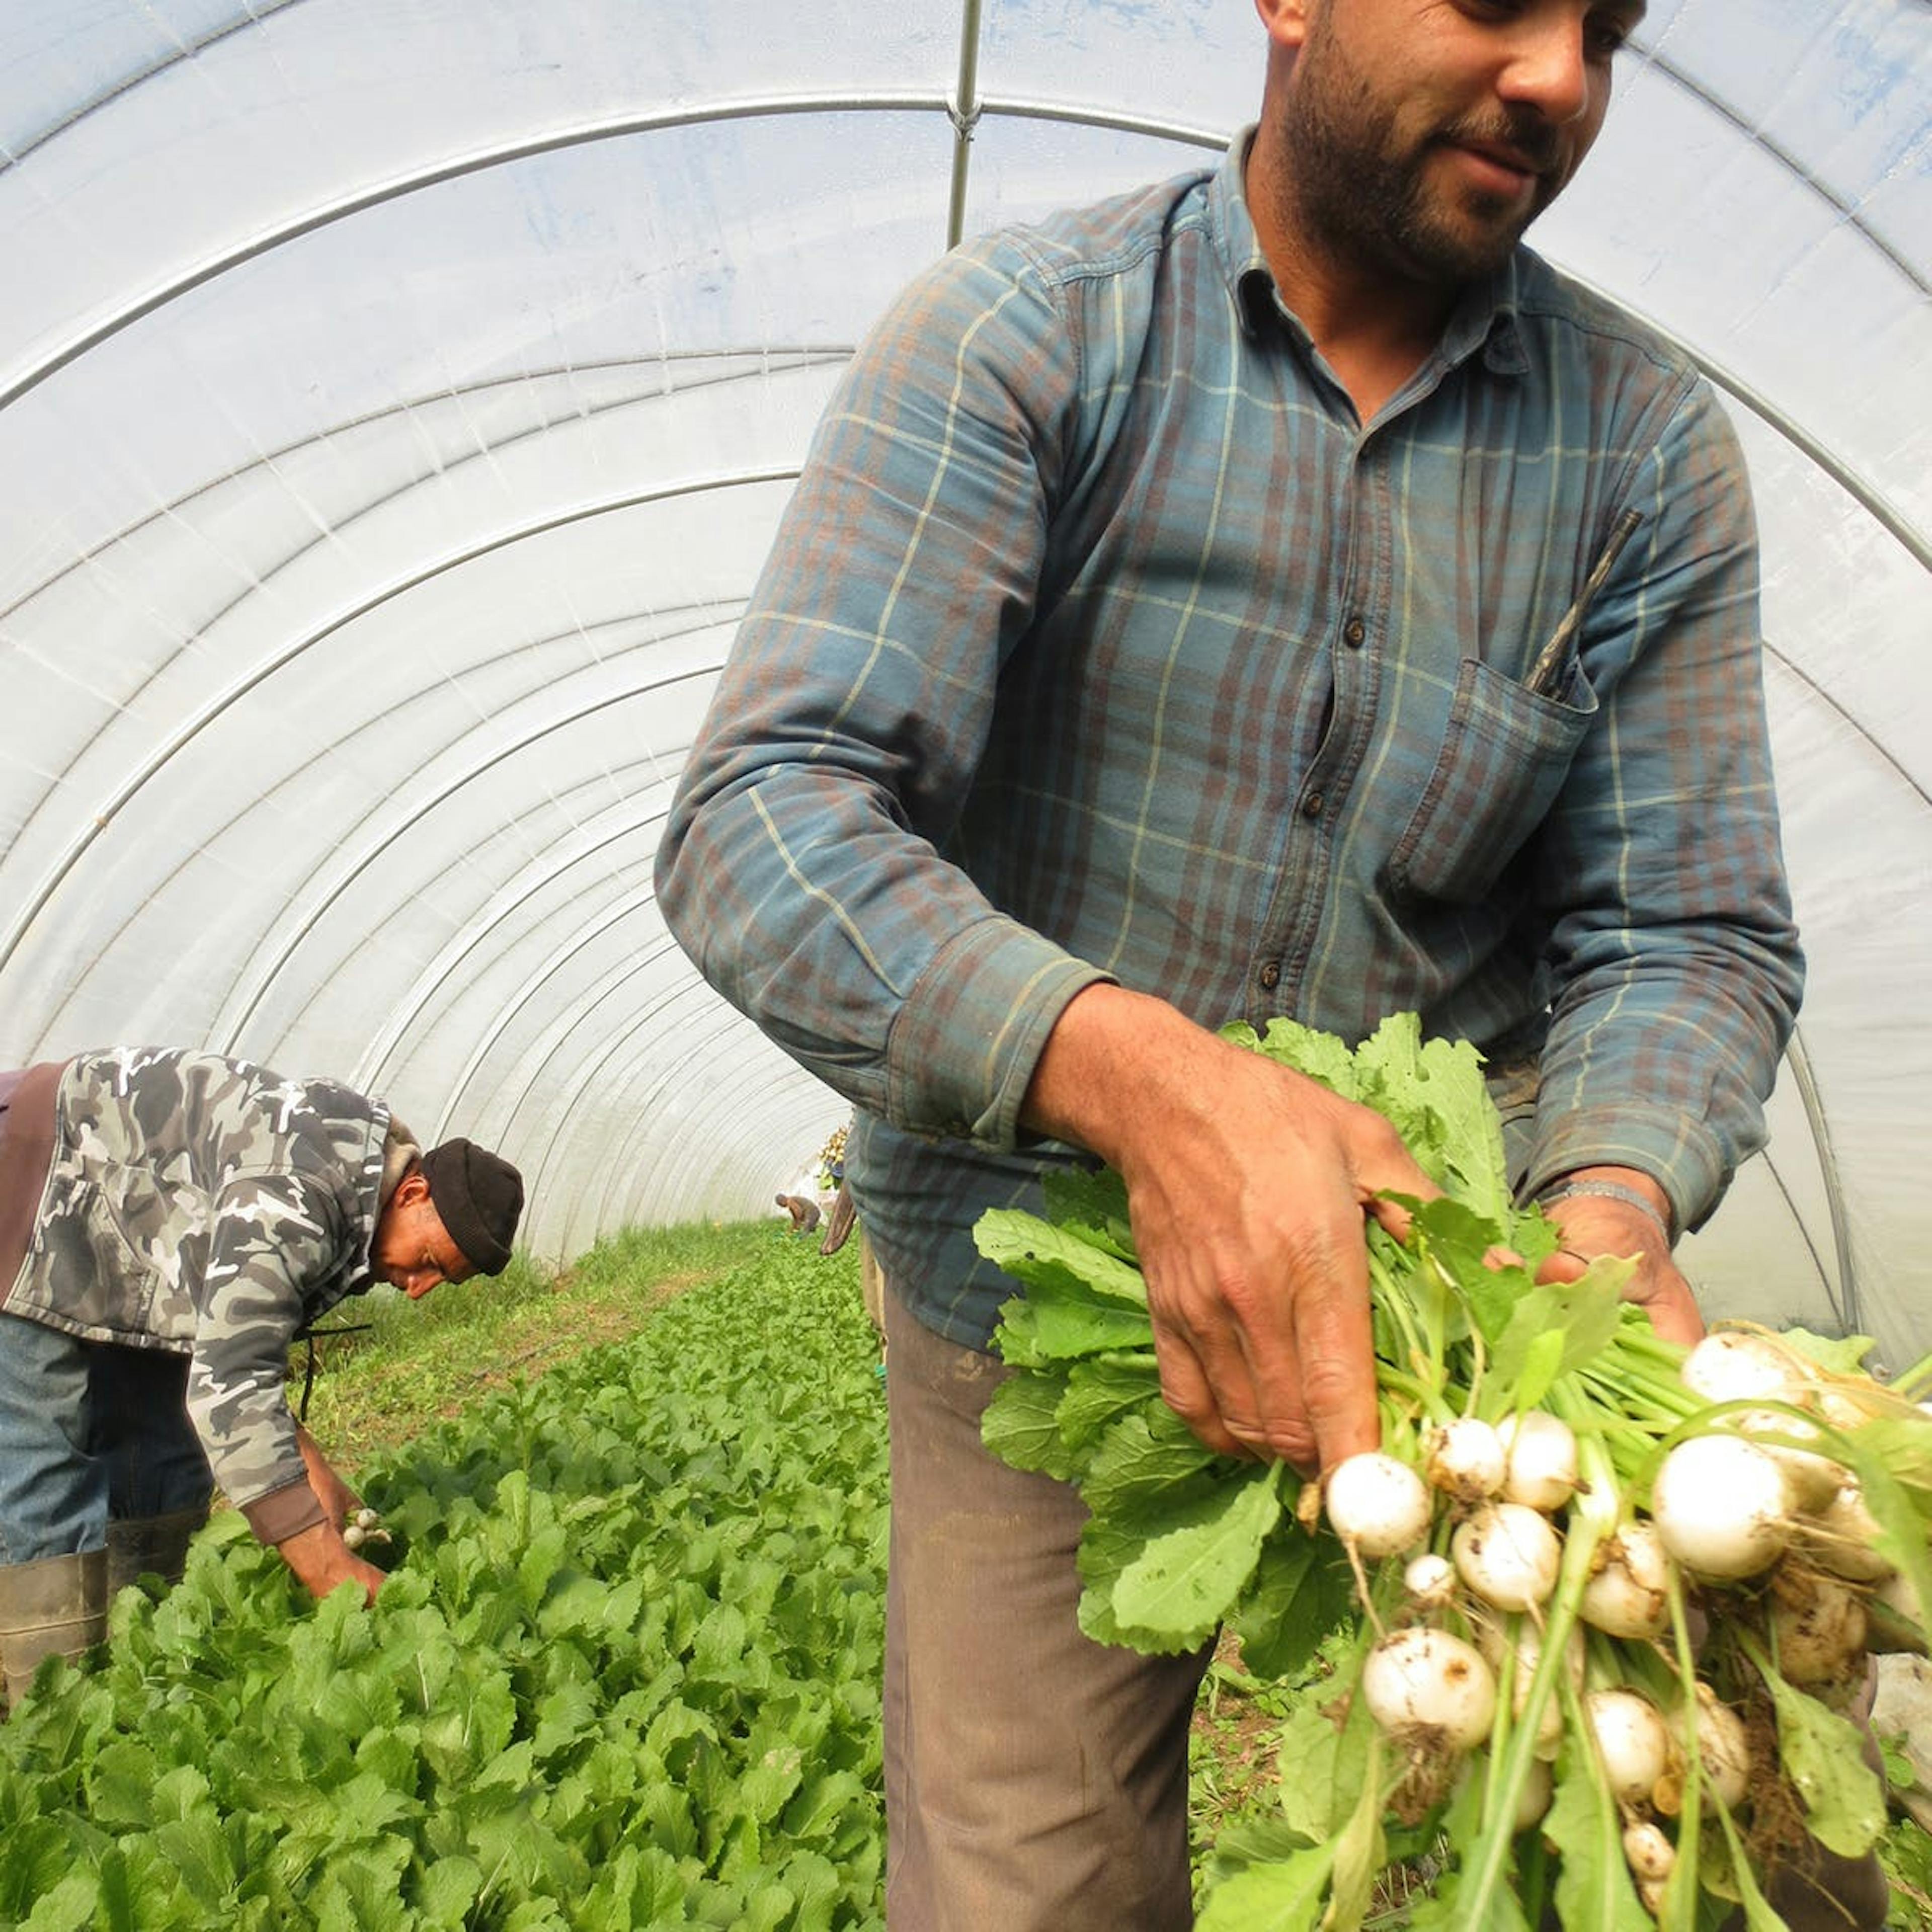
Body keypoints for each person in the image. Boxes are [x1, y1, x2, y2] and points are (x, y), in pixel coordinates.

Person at [656, 1, 1817, 1924]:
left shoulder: (1642, 450)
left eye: (1607, 31)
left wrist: (1611, 1198)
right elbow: (768, 816)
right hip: (1037, 1321)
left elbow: (1683, 928)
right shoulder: (1028, 337)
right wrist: (1146, 1082)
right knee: (1034, 1883)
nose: (1559, 77)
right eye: (1499, 0)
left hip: (1465, 1330)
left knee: (1683, 1825)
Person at [0, 1047, 523, 1708]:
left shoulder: (355, 1187)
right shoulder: (301, 1199)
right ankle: (54, 1711)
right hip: (32, 1183)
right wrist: (330, 1572)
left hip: (126, 1249)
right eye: (430, 1262)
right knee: (48, 1453)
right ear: (413, 1193)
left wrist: (313, 1474)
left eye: (442, 1280)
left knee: (164, 1452)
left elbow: (239, 1340)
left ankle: (137, 1666)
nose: (419, 1288)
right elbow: (235, 1387)